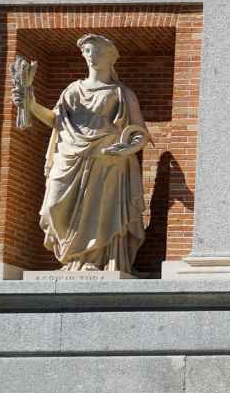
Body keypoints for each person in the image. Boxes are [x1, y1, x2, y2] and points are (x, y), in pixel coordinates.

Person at [11, 33, 148, 272]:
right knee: (53, 204)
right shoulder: (73, 90)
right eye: (87, 51)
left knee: (101, 213)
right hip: (70, 154)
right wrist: (30, 103)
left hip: (107, 159)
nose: (91, 56)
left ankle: (96, 260)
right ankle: (72, 257)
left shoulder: (122, 93)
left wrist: (128, 148)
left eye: (98, 51)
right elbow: (56, 120)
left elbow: (140, 132)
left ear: (110, 57)